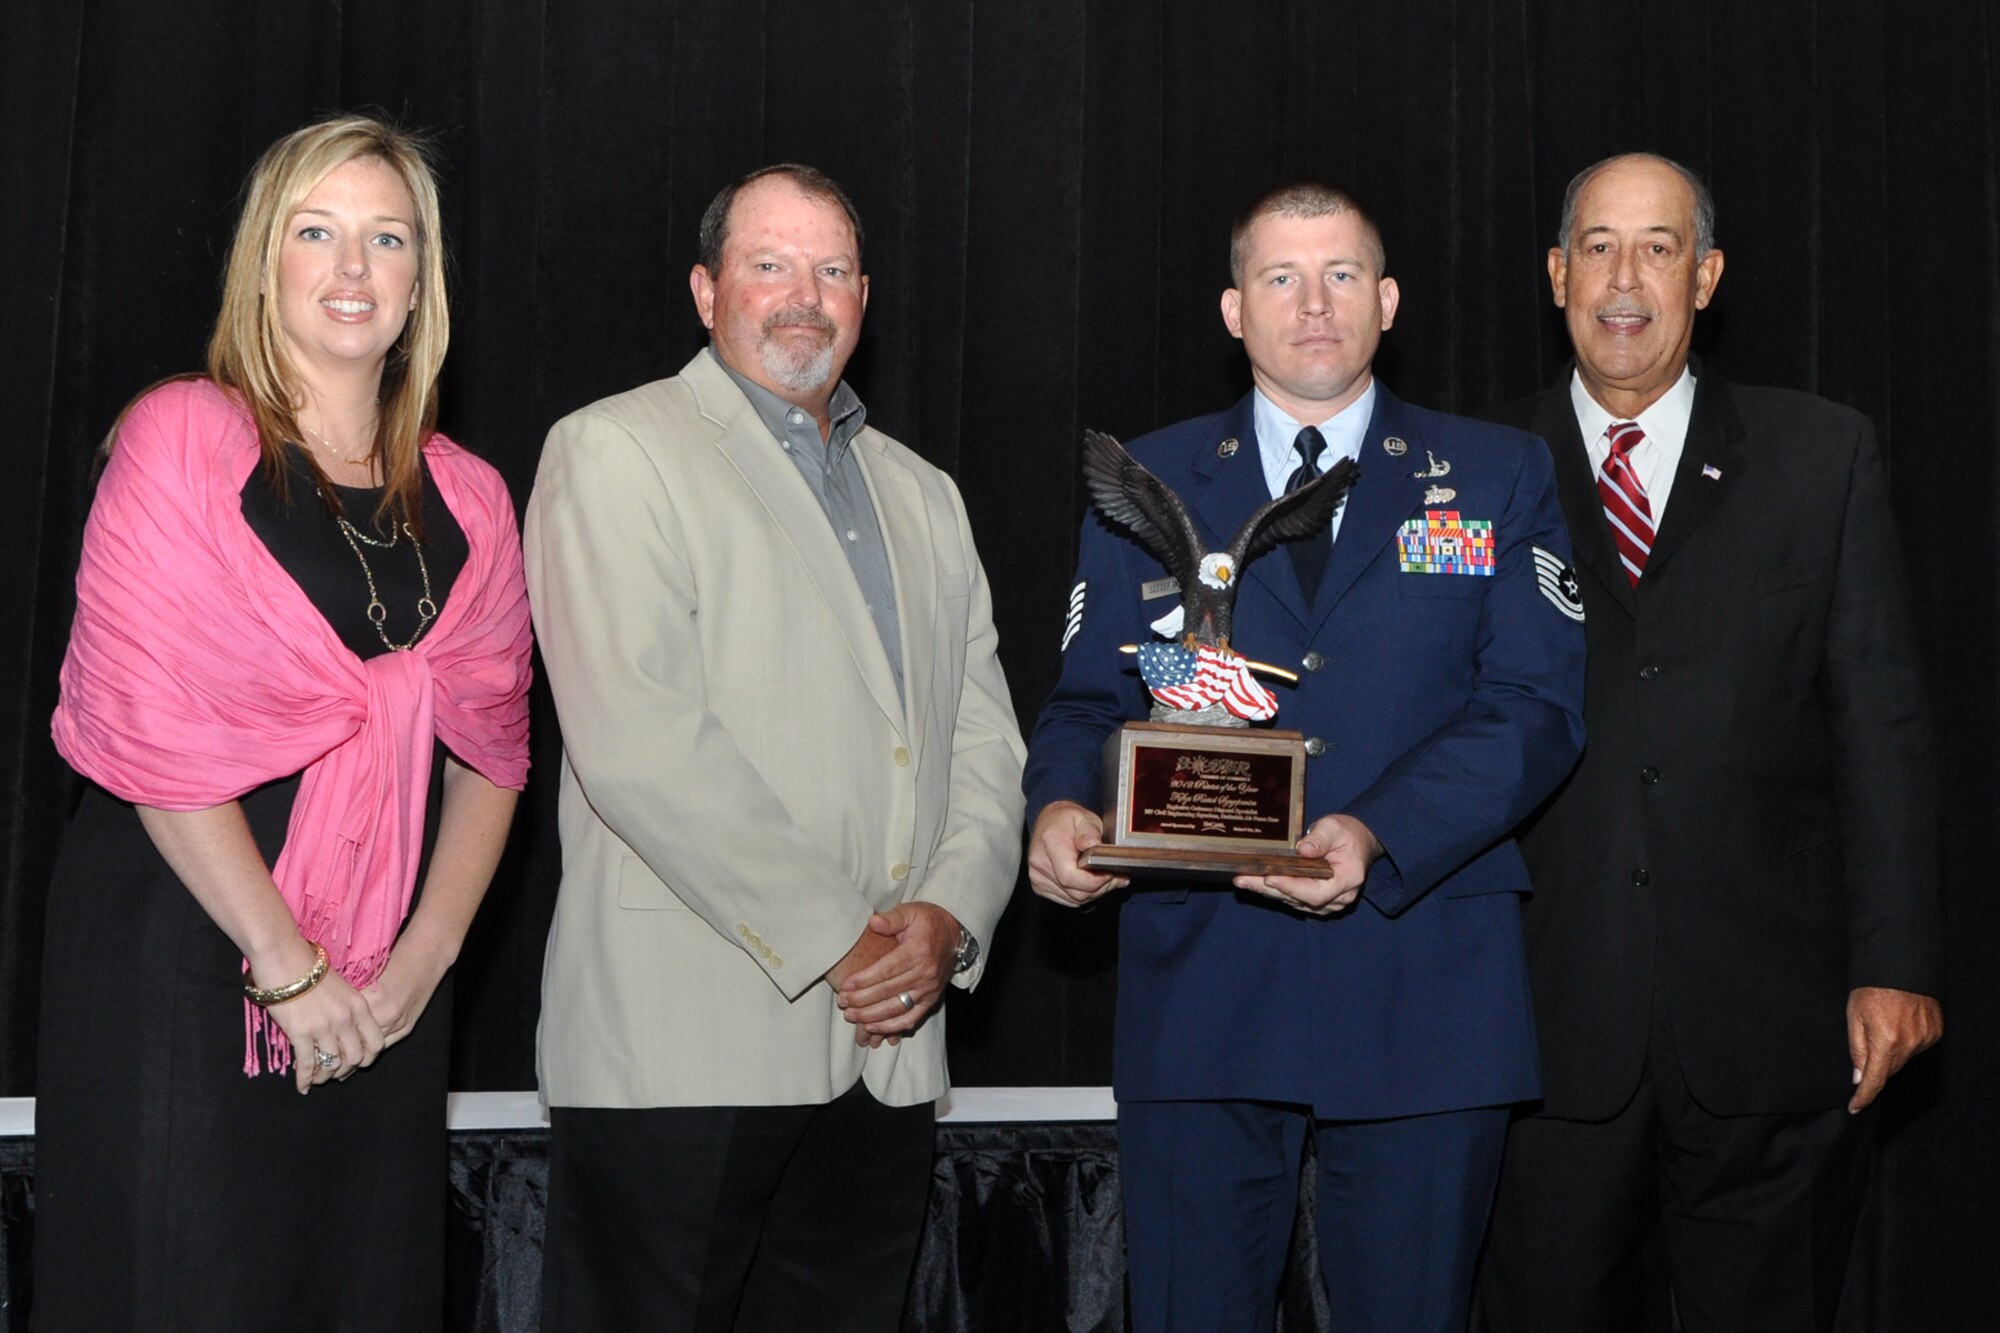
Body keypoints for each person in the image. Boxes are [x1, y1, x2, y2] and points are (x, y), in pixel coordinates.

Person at [1023, 180, 1587, 1332]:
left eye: (1339, 275)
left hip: (1424, 984)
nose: (1312, 304)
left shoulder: (1495, 473)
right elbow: (1082, 705)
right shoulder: (1148, 481)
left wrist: (1376, 828)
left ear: (1387, 301)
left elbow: (1534, 708)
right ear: (1234, 310)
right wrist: (1059, 809)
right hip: (1202, 989)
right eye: (1279, 277)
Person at [36, 115, 533, 1330]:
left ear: (420, 283)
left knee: (361, 1288)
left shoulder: (472, 494)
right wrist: (287, 966)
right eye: (317, 233)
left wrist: (418, 970)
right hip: (189, 955)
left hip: (383, 987)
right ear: (265, 262)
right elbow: (145, 733)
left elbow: (494, 757)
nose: (353, 268)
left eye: (387, 239)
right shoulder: (180, 439)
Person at [525, 163, 1026, 1331]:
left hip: (885, 1051)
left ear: (864, 298)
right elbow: (638, 740)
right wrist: (845, 939)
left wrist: (946, 918)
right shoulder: (613, 450)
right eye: (769, 265)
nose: (804, 295)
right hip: (680, 1043)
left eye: (831, 269)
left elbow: (983, 740)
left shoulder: (925, 494)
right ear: (706, 292)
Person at [1475, 152, 1945, 1333]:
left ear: (1706, 275)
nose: (1622, 279)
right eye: (1595, 247)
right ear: (1554, 274)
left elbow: (1879, 724)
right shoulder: (1471, 473)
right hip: (1541, 1023)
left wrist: (1895, 961)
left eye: (1657, 247)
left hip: (1771, 1026)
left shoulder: (1822, 456)